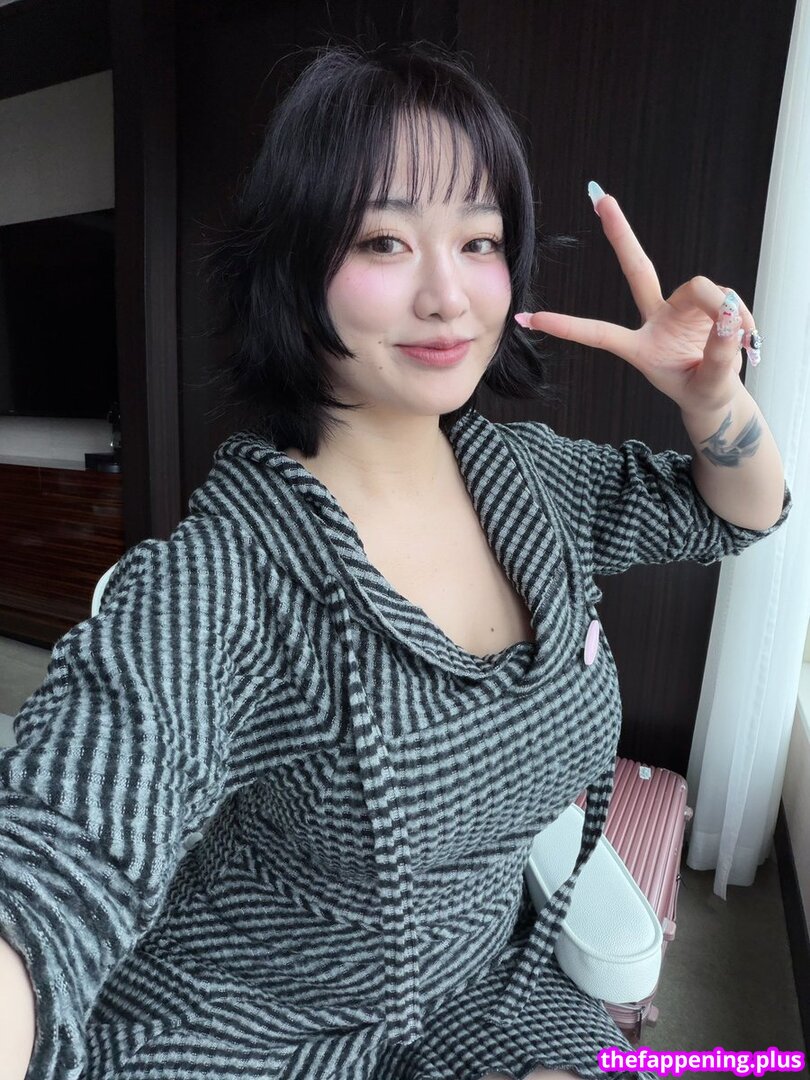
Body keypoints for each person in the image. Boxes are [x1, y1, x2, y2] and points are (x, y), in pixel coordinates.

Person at [0, 38, 791, 1080]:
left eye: (479, 240)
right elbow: (57, 855)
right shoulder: (228, 578)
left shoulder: (532, 481)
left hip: (482, 985)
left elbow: (737, 515)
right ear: (294, 268)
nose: (448, 296)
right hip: (240, 1026)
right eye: (383, 240)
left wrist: (714, 403)